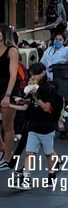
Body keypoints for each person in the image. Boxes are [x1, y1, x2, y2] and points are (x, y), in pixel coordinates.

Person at [9, 63, 63, 190]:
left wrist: (35, 97)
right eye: (32, 75)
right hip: (33, 125)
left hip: (46, 127)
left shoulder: (48, 89)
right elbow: (30, 104)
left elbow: (46, 107)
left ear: (43, 73)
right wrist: (21, 101)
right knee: (29, 153)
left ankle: (51, 174)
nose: (33, 77)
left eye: (35, 75)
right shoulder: (32, 87)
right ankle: (26, 178)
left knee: (49, 154)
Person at [0, 24, 19, 171]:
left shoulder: (11, 51)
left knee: (7, 126)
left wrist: (7, 95)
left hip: (8, 89)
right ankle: (3, 148)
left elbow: (13, 75)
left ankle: (7, 157)